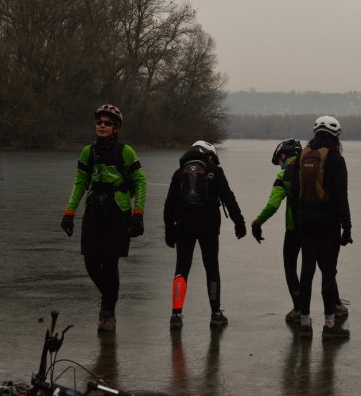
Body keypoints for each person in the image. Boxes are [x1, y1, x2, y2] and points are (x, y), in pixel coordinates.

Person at [61, 104, 147, 332]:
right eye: (99, 122)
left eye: (107, 123)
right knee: (90, 261)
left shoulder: (125, 151)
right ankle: (110, 296)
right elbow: (80, 183)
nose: (102, 126)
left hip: (118, 213)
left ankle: (108, 313)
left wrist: (138, 214)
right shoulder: (88, 152)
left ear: (116, 128)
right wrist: (69, 213)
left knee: (110, 263)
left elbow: (140, 182)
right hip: (93, 211)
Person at [251, 138, 349, 324]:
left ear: (282, 156)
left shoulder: (284, 175)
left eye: (279, 160)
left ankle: (299, 310)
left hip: (293, 229)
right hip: (316, 225)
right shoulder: (308, 167)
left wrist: (258, 222)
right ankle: (336, 305)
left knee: (292, 267)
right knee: (324, 267)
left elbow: (273, 204)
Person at [163, 140, 247, 329]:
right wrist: (239, 222)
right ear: (209, 155)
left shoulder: (179, 173)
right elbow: (228, 198)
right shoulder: (215, 172)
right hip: (208, 226)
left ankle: (176, 315)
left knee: (181, 269)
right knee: (211, 268)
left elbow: (169, 204)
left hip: (183, 226)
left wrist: (169, 231)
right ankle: (216, 314)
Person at [289, 116, 353, 340]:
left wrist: (297, 223)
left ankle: (305, 324)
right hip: (328, 225)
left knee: (306, 272)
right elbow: (340, 197)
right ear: (336, 136)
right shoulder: (335, 159)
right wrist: (347, 227)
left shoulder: (302, 156)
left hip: (305, 223)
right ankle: (329, 325)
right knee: (328, 273)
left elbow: (294, 194)